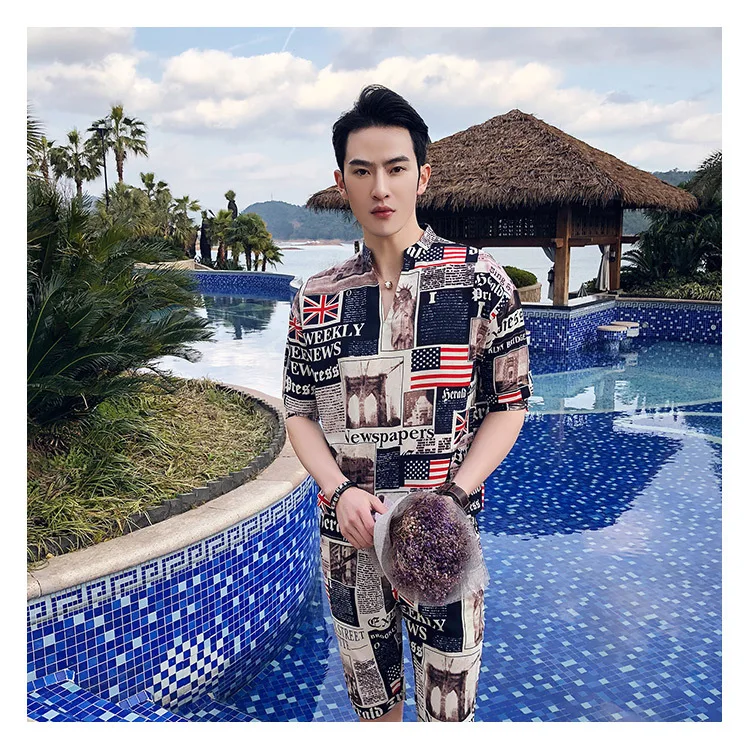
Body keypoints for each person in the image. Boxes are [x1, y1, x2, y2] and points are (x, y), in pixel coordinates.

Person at [281, 84, 533, 722]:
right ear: (341, 182)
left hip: (444, 538)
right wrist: (338, 492)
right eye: (362, 171)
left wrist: (456, 494)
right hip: (351, 542)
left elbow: (510, 403)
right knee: (375, 712)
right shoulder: (318, 296)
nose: (380, 188)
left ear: (422, 176)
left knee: (448, 713)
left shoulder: (478, 281)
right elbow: (299, 412)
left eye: (395, 169)